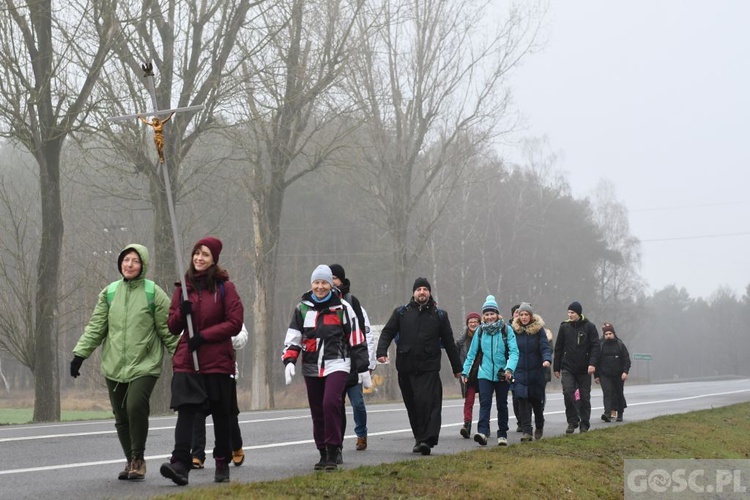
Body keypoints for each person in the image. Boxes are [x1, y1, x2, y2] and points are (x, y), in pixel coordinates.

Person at [70, 243, 179, 481]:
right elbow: (96, 327)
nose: (129, 265)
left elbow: (169, 330)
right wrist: (80, 354)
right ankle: (130, 460)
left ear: (143, 265)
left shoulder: (153, 292)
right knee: (121, 416)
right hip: (114, 365)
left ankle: (138, 459)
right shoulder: (109, 292)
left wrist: (181, 361)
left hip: (145, 364)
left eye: (135, 261)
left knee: (134, 406)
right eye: (125, 260)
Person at [160, 236, 244, 486]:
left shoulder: (224, 288)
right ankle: (180, 464)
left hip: (217, 361)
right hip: (187, 360)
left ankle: (221, 462)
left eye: (205, 254)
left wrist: (203, 337)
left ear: (214, 259)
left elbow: (234, 323)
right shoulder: (182, 288)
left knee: (221, 414)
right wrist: (180, 314)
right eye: (197, 253)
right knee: (186, 411)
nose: (199, 258)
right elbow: (173, 327)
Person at [282, 265, 369, 472]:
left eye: (324, 283)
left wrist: (363, 368)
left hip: (337, 363)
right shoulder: (302, 309)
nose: (320, 287)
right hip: (311, 366)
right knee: (317, 410)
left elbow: (356, 339)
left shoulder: (342, 308)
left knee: (331, 403)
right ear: (311, 284)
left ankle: (333, 450)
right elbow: (293, 338)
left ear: (330, 285)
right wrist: (289, 361)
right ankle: (322, 452)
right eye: (316, 283)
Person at [376, 277, 462, 455]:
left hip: (429, 367)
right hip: (406, 367)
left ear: (429, 293)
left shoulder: (439, 315)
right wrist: (381, 352)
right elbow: (387, 332)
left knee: (428, 403)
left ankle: (428, 439)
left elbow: (449, 342)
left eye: (425, 289)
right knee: (413, 405)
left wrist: (457, 367)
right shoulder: (401, 313)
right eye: (419, 289)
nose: (422, 292)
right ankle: (419, 438)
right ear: (413, 293)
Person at [329, 263, 374, 460]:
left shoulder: (353, 303)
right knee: (336, 406)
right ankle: (336, 442)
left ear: (341, 280)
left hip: (353, 364)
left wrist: (367, 364)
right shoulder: (324, 304)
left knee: (358, 404)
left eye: (334, 278)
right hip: (334, 363)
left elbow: (364, 335)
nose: (331, 283)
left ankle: (361, 434)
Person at [461, 295, 519, 447]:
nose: (489, 317)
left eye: (492, 313)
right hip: (484, 373)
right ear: (483, 316)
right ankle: (482, 432)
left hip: (502, 373)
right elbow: (472, 354)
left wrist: (509, 368)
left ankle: (502, 435)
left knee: (502, 404)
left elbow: (514, 352)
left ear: (497, 314)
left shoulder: (507, 330)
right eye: (486, 314)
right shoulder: (480, 332)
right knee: (485, 402)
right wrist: (465, 372)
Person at [191, 323, 249, 469]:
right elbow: (184, 335)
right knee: (197, 412)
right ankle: (197, 454)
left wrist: (222, 336)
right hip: (199, 370)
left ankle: (236, 446)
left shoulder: (226, 304)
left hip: (224, 370)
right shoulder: (195, 307)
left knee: (228, 413)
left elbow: (242, 336)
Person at [553, 301, 601, 434]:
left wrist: (592, 364)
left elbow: (595, 347)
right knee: (568, 393)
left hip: (584, 369)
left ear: (579, 313)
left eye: (572, 313)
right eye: (568, 312)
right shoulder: (564, 327)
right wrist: (556, 367)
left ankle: (584, 424)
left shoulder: (590, 327)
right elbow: (558, 348)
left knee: (584, 397)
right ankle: (572, 421)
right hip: (567, 367)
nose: (570, 315)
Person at [510, 302, 552, 441]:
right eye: (521, 314)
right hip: (519, 371)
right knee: (522, 399)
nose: (523, 317)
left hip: (536, 371)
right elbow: (508, 350)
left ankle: (539, 424)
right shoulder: (514, 331)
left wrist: (547, 359)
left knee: (535, 401)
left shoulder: (539, 330)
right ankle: (527, 432)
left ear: (531, 316)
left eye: (526, 314)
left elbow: (545, 347)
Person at [595, 322, 631, 422]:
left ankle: (620, 413)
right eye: (606, 334)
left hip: (618, 374)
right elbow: (596, 361)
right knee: (607, 393)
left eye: (610, 333)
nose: (608, 336)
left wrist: (625, 372)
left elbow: (626, 360)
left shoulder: (620, 345)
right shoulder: (600, 346)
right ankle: (607, 413)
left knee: (619, 393)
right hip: (604, 374)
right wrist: (596, 375)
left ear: (614, 333)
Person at [455, 311, 481, 438]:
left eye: (475, 322)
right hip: (468, 374)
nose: (473, 324)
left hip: (482, 372)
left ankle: (483, 426)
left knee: (484, 401)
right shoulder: (461, 340)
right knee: (469, 400)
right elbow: (456, 355)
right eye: (470, 322)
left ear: (479, 323)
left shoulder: (484, 336)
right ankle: (467, 425)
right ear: (467, 324)